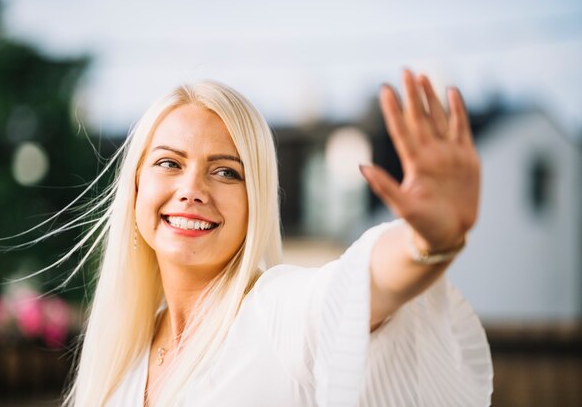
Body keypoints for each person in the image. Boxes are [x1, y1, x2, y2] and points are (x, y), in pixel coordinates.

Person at [62, 69, 493, 407]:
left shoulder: (277, 312)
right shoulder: (123, 348)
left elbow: (359, 286)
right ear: (135, 187)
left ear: (256, 202)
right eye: (169, 163)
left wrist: (425, 243)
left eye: (226, 171)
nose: (192, 188)